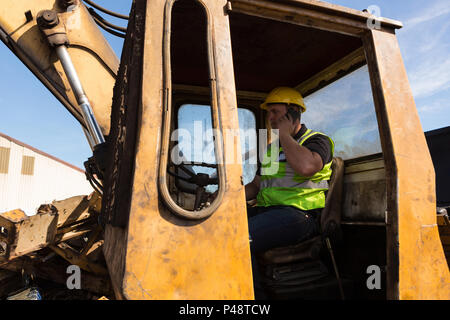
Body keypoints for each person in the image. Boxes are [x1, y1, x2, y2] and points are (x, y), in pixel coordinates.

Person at [245, 87, 334, 299]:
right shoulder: (272, 150)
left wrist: (284, 135)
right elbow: (256, 185)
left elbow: (306, 167)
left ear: (293, 113)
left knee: (240, 238)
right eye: (269, 113)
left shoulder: (317, 141)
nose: (270, 118)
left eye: (275, 112)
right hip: (268, 212)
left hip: (300, 216)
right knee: (221, 226)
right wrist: (224, 200)